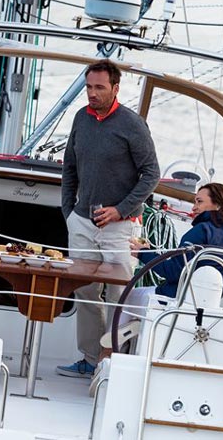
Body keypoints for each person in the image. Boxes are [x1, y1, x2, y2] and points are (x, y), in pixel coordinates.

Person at [57, 60, 160, 378]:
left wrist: (120, 209)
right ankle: (90, 358)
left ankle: (115, 364)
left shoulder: (131, 124)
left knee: (119, 294)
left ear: (115, 88)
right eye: (88, 87)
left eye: (99, 87)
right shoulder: (80, 119)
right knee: (86, 291)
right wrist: (69, 212)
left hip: (119, 226)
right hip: (81, 222)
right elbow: (70, 167)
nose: (92, 93)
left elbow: (151, 174)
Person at [134, 182, 223, 308]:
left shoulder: (202, 231)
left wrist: (143, 253)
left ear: (218, 205)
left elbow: (173, 273)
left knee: (128, 297)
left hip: (169, 301)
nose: (194, 207)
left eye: (199, 202)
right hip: (207, 312)